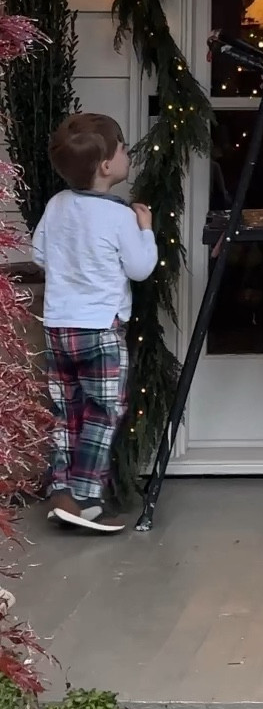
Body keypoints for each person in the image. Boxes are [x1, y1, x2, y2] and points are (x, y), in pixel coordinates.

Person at [32, 113, 158, 534]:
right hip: (101, 331)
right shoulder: (121, 216)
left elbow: (40, 255)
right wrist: (146, 230)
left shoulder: (56, 205)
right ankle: (86, 498)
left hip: (58, 328)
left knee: (66, 411)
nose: (127, 153)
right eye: (122, 148)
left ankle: (62, 490)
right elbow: (140, 269)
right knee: (103, 412)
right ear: (106, 166)